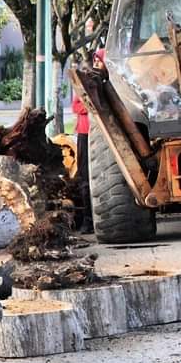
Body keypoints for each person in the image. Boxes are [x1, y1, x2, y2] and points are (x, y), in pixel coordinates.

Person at [70, 48, 105, 234]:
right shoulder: (86, 81)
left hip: (99, 134)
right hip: (85, 133)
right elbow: (76, 106)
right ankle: (88, 219)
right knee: (85, 177)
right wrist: (89, 106)